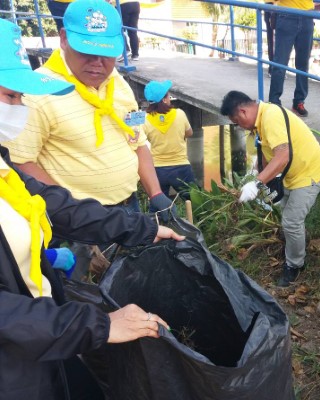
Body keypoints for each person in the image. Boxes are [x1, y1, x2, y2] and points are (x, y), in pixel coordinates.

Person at [0, 18, 185, 399]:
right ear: (64, 39)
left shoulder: (3, 168)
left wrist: (141, 226)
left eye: (20, 98)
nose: (19, 108)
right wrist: (99, 325)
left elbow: (52, 203)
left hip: (43, 334)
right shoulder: (43, 101)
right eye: (10, 97)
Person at [5, 0, 176, 221]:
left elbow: (137, 142)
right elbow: (21, 162)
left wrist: (156, 193)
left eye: (106, 53)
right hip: (79, 221)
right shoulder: (38, 92)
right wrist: (72, 210)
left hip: (129, 207)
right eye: (86, 50)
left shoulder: (118, 83)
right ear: (64, 38)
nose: (97, 62)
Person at [220, 91, 320, 287]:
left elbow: (282, 156)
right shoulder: (261, 120)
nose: (240, 127)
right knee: (287, 215)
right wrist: (256, 171)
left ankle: (294, 266)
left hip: (309, 173)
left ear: (243, 112)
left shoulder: (270, 117)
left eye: (237, 122)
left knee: (291, 222)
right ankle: (297, 245)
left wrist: (257, 183)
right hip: (292, 174)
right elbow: (267, 149)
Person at [143, 80, 195, 201]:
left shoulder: (145, 119)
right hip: (181, 167)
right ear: (164, 100)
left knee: (159, 206)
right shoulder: (180, 114)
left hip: (158, 170)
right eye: (168, 95)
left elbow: (139, 140)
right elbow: (190, 133)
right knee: (194, 203)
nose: (169, 97)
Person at [268, 0, 314, 117]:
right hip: (287, 15)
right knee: (280, 63)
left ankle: (299, 101)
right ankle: (274, 102)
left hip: (307, 15)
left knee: (303, 64)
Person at [264, 1, 276, 76]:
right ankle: (272, 68)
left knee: (280, 42)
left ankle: (277, 68)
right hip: (271, 6)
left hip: (282, 6)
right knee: (272, 40)